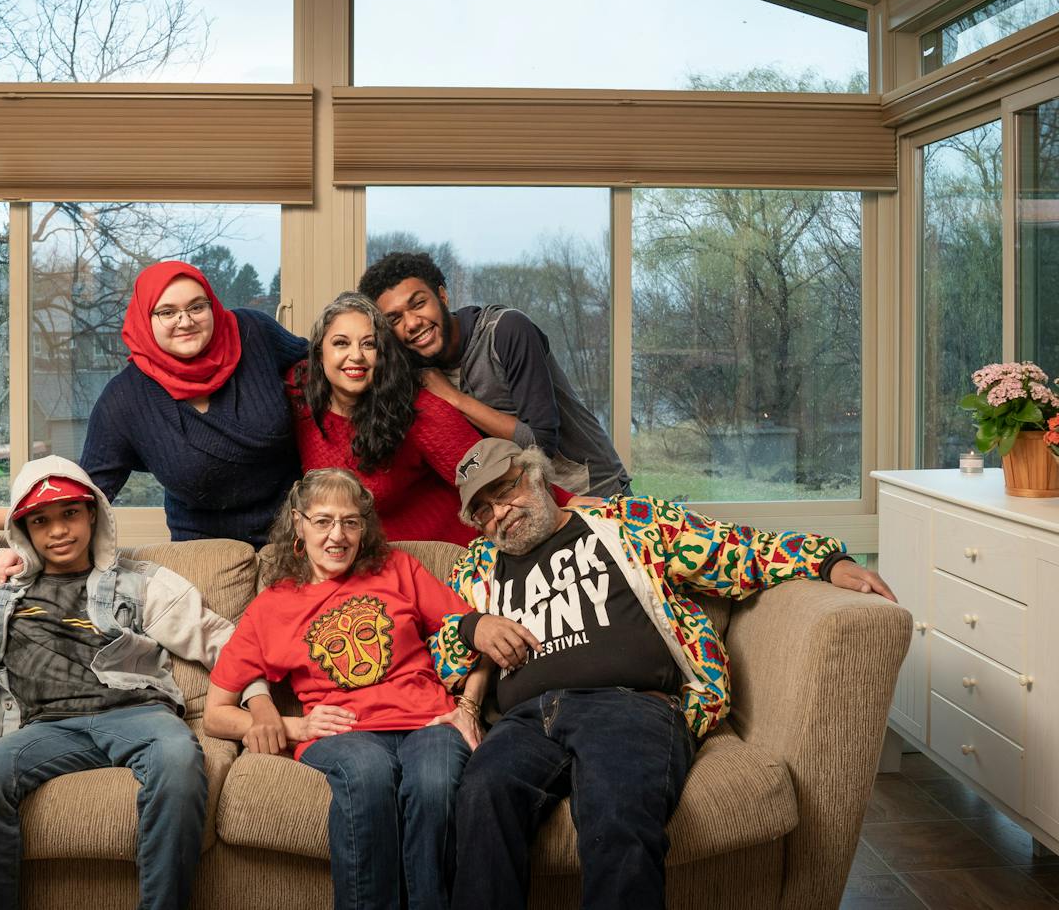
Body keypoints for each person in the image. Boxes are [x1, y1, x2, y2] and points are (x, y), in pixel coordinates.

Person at [444, 437, 896, 910]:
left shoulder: (626, 522)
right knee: (479, 799)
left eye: (506, 490)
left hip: (628, 705)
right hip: (525, 721)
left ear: (535, 475)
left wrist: (828, 561)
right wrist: (474, 625)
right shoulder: (477, 566)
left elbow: (734, 549)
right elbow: (442, 649)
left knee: (617, 810)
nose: (499, 513)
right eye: (483, 510)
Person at [0, 455, 279, 910]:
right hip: (42, 728)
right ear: (25, 529)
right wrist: (10, 518)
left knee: (178, 757)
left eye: (70, 513)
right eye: (41, 521)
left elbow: (225, 642)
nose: (58, 531)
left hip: (137, 716)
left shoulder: (139, 583)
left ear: (93, 512)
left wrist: (259, 702)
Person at [205, 467, 515, 910]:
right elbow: (215, 713)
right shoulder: (271, 606)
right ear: (299, 523)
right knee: (368, 775)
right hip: (343, 733)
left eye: (351, 521)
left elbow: (475, 636)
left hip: (428, 718)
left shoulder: (399, 568)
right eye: (323, 521)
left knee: (435, 781)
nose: (338, 536)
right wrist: (295, 726)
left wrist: (468, 706)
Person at [290, 291, 569, 547]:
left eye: (369, 344)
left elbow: (490, 469)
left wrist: (570, 504)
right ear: (319, 353)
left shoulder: (413, 408)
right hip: (362, 563)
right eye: (341, 343)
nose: (356, 356)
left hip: (442, 557)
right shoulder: (299, 398)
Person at [359, 250, 630, 498]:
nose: (412, 323)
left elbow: (540, 444)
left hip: (592, 491)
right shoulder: (410, 366)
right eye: (394, 319)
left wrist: (453, 398)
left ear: (442, 296)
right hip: (525, 504)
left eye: (418, 304)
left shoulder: (506, 330)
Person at [80, 260, 307, 546]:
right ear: (144, 319)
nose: (185, 322)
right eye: (167, 312)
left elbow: (324, 372)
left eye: (197, 307)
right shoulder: (124, 399)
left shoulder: (254, 332)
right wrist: (27, 551)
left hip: (299, 535)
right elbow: (84, 496)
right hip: (207, 553)